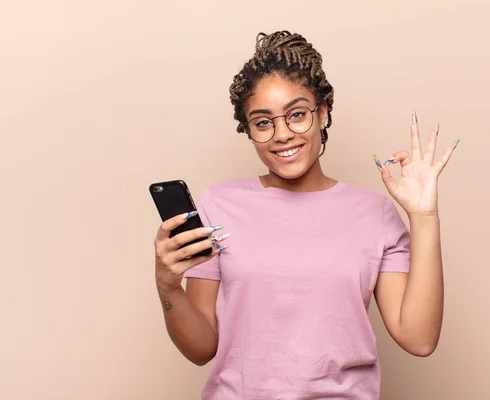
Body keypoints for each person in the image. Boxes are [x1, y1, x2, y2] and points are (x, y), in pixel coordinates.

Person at [153, 30, 458, 399]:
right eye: (263, 122)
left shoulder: (375, 214)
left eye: (297, 115)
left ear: (323, 112)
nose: (282, 134)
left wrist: (424, 217)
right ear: (249, 130)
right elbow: (201, 349)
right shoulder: (218, 205)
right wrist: (168, 287)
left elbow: (419, 338)